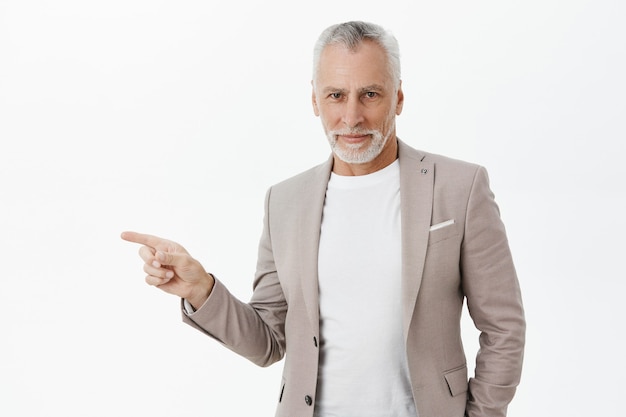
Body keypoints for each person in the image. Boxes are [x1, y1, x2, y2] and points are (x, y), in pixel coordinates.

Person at [121, 21, 525, 417]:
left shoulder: (459, 187)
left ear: (398, 98)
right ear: (315, 100)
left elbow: (504, 327)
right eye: (335, 95)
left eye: (370, 94)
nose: (351, 117)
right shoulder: (284, 201)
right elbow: (268, 342)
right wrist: (201, 289)